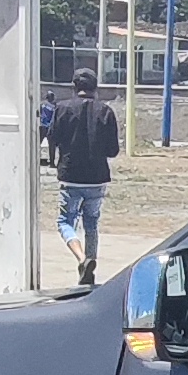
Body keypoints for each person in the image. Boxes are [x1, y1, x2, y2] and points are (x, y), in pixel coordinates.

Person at [47, 68, 120, 285]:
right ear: (95, 88)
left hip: (70, 175)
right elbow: (113, 151)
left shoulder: (62, 109)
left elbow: (52, 138)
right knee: (91, 222)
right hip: (97, 178)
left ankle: (81, 259)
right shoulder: (106, 112)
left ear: (74, 87)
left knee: (65, 221)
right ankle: (90, 264)